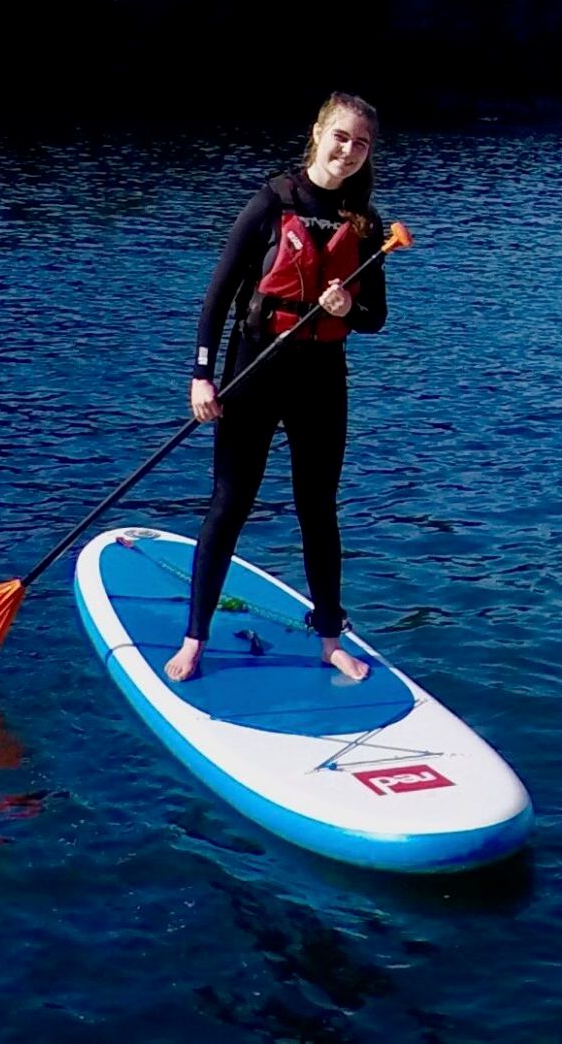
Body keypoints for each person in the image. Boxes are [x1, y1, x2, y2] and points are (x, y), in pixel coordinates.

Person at [167, 93, 389, 684]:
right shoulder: (271, 203)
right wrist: (201, 374)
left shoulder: (364, 223)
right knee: (230, 503)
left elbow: (375, 318)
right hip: (254, 369)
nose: (348, 151)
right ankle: (195, 638)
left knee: (318, 509)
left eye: (361, 143)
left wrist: (350, 303)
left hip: (321, 378)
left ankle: (330, 639)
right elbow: (218, 296)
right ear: (318, 134)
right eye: (340, 136)